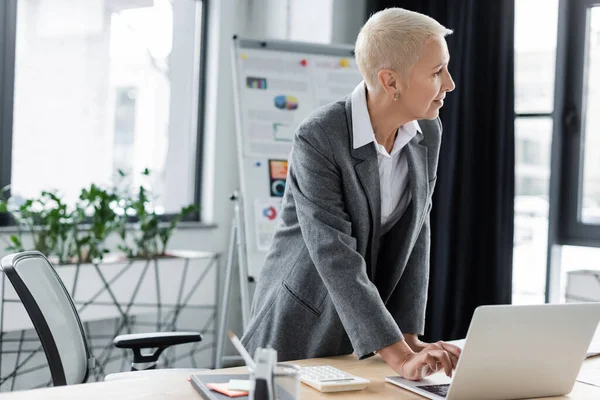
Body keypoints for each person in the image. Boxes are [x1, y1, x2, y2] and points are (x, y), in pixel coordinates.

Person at [241, 7, 460, 381]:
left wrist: (407, 337)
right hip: (303, 320)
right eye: (436, 72)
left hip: (368, 328)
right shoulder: (320, 137)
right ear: (391, 82)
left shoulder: (428, 132)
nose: (450, 83)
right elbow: (334, 253)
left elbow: (415, 233)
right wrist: (398, 355)